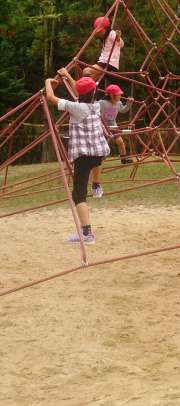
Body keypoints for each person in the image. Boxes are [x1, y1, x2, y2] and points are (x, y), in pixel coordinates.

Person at [45, 68, 110, 244]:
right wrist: (67, 76)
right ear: (94, 93)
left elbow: (51, 98)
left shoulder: (76, 107)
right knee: (94, 165)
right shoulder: (96, 106)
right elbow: (80, 90)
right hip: (99, 153)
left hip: (84, 157)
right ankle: (97, 185)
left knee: (79, 195)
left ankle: (87, 234)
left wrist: (48, 82)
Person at [83, 16, 124, 82]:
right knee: (91, 78)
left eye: (101, 31)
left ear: (106, 28)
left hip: (109, 64)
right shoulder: (105, 38)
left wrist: (118, 39)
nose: (99, 33)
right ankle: (89, 87)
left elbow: (121, 44)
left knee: (86, 71)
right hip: (104, 63)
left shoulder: (112, 33)